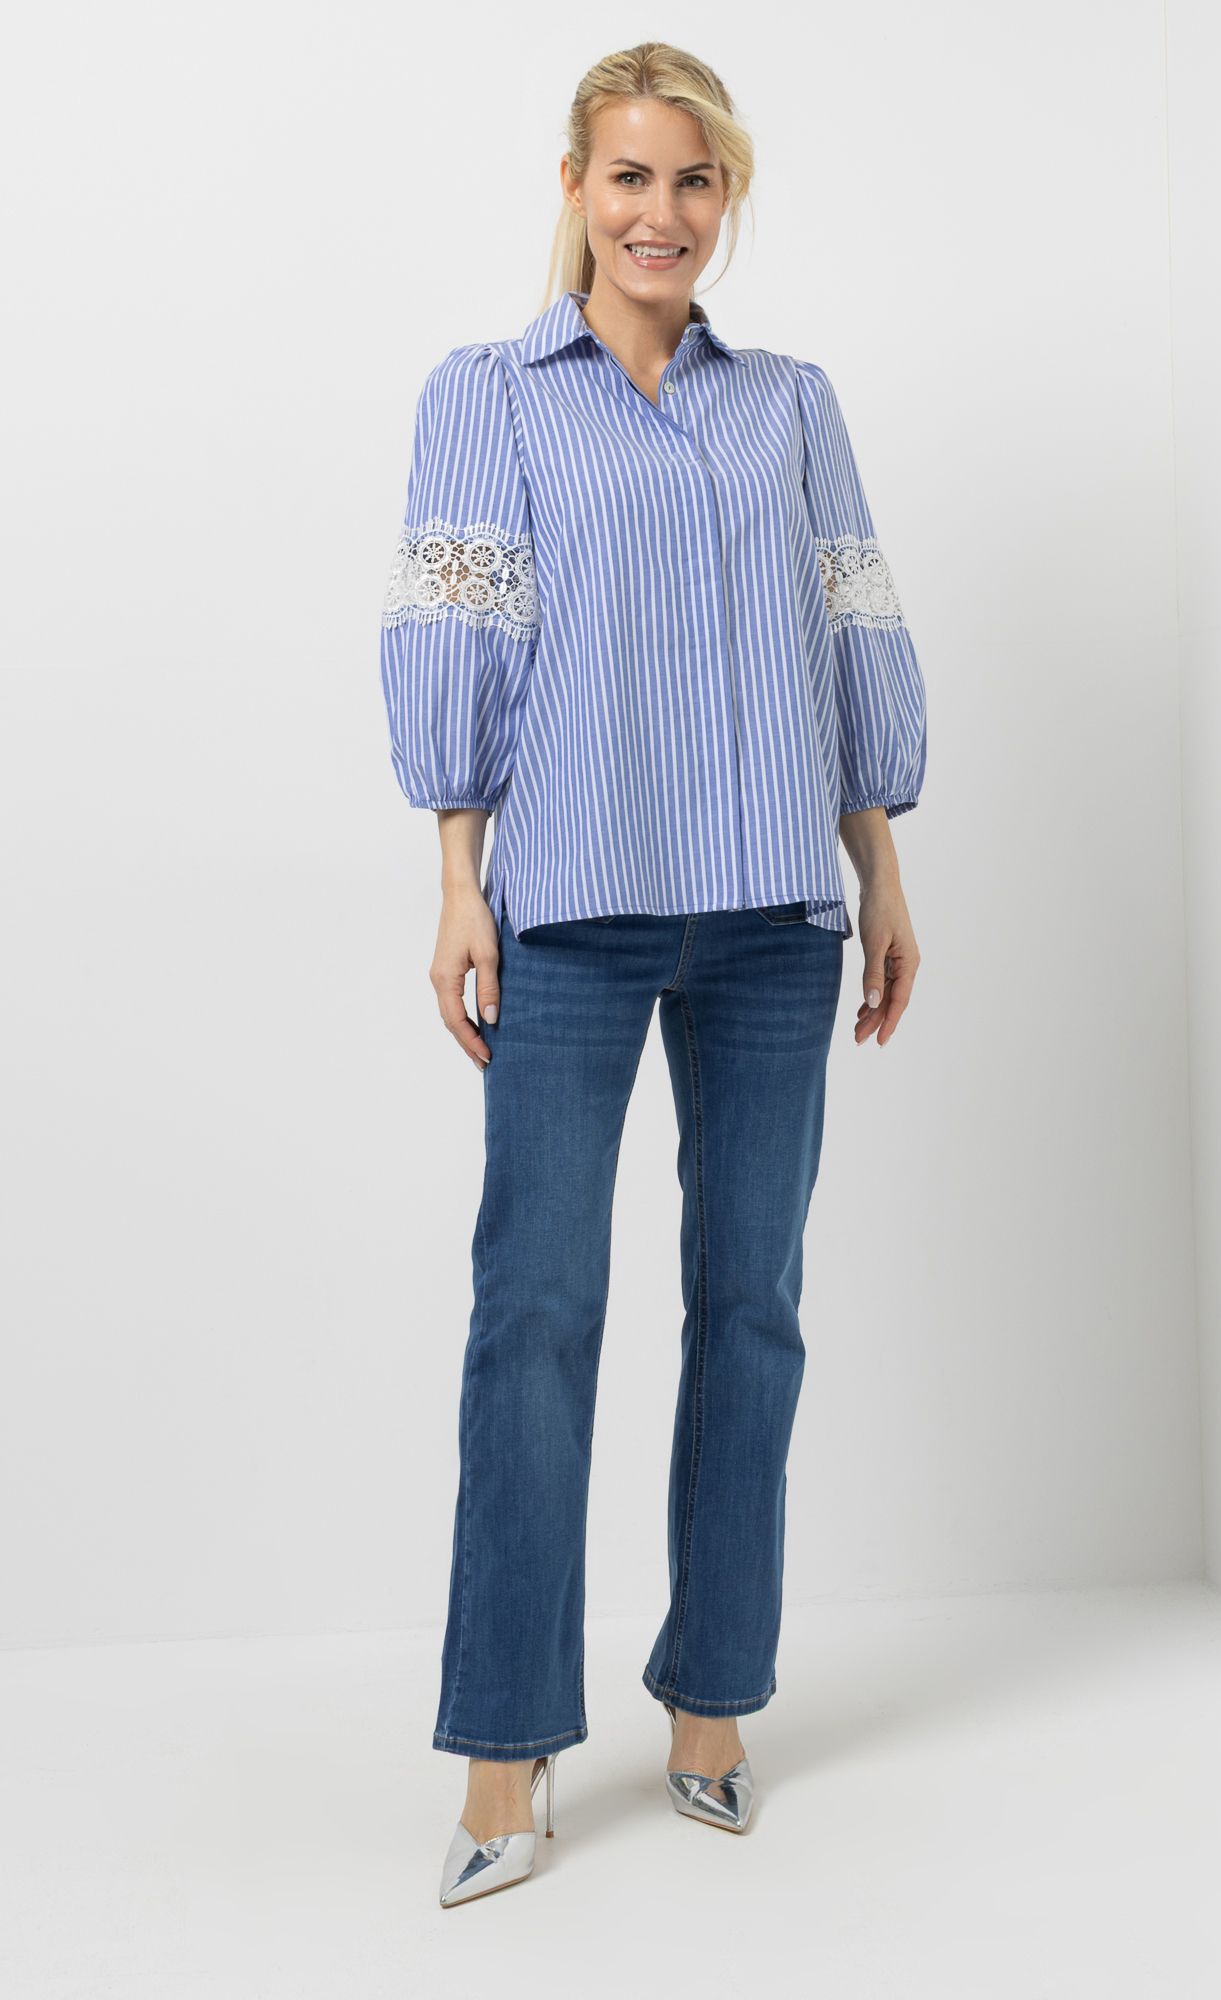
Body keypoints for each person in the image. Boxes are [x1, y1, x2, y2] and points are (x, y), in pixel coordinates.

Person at [378, 42, 929, 1908]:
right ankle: (504, 1748)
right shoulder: (488, 397)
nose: (659, 214)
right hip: (571, 907)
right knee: (532, 1313)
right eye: (628, 177)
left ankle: (710, 1706)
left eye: (693, 182)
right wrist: (459, 884)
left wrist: (882, 865)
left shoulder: (788, 404)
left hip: (776, 912)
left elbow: (850, 631)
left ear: (727, 198)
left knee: (752, 1307)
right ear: (575, 187)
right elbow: (454, 645)